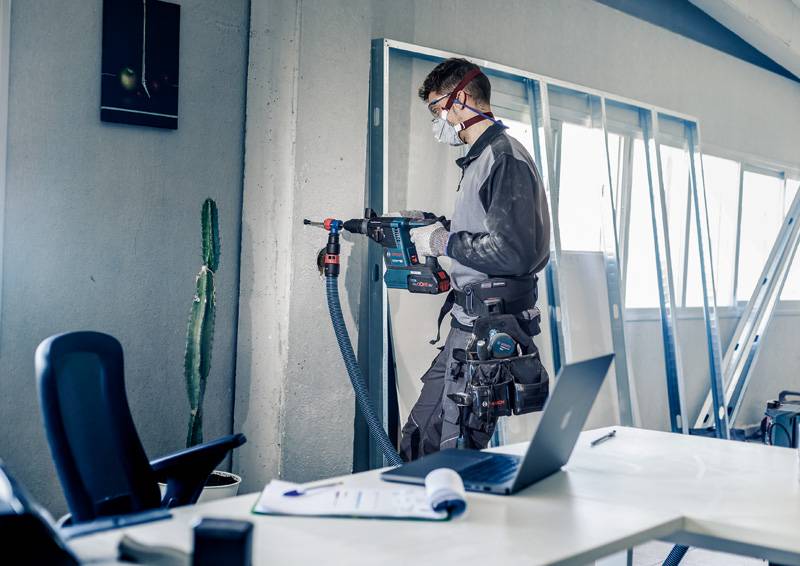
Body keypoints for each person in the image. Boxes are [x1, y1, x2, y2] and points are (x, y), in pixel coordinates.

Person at [398, 58, 551, 461]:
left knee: (452, 453)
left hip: (487, 326)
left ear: (460, 98)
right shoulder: (481, 159)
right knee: (417, 438)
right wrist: (438, 227)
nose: (437, 121)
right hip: (467, 324)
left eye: (437, 109)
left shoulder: (504, 158)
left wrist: (443, 241)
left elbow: (510, 251)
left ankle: (451, 519)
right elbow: (489, 231)